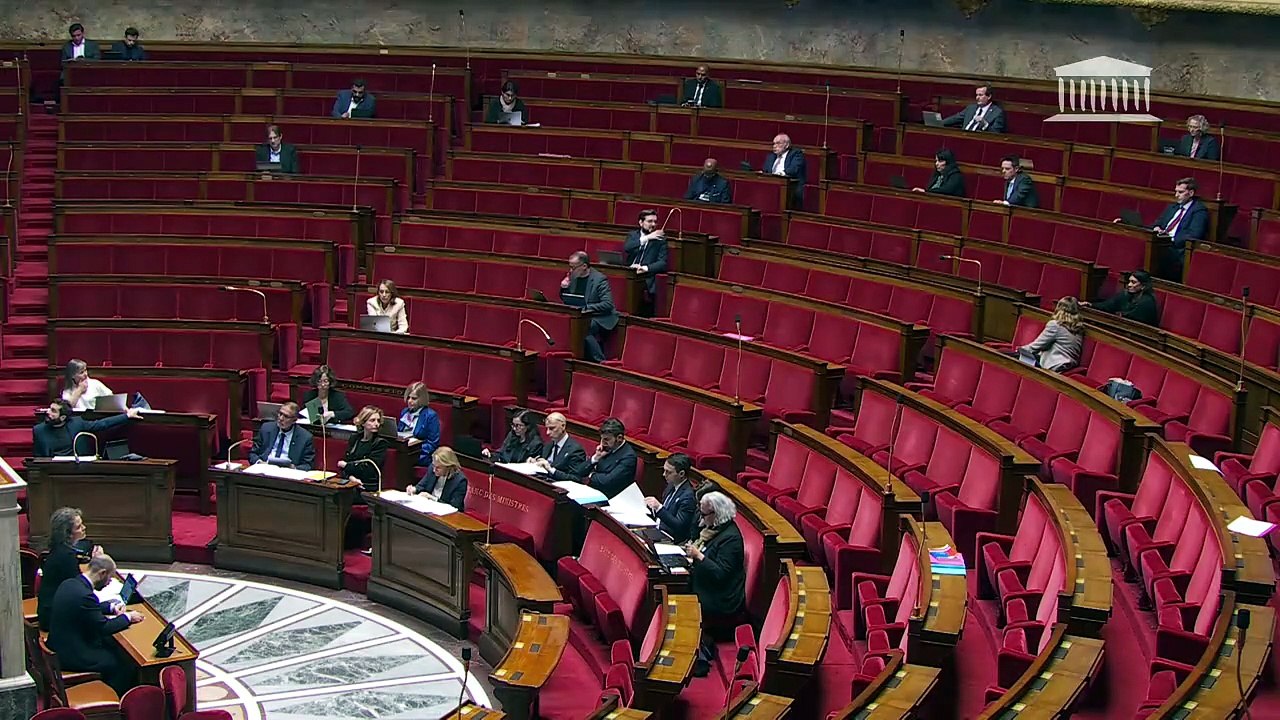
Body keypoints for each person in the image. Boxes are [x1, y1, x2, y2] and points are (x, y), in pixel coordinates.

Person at [47, 553, 144, 695]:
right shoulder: (85, 595)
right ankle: (113, 700)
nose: (108, 582)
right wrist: (128, 617)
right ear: (102, 573)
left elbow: (87, 608)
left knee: (112, 647)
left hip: (59, 645)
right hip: (72, 655)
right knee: (123, 665)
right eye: (109, 578)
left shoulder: (70, 584)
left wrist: (111, 608)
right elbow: (103, 627)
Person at [684, 491, 746, 677]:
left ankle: (698, 654)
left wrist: (699, 556)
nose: (701, 518)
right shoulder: (712, 530)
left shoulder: (731, 538)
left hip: (721, 597)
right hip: (706, 584)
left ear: (717, 514)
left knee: (679, 596)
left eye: (704, 514)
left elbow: (721, 574)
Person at [38, 507, 103, 632]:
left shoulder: (59, 549)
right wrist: (97, 563)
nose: (84, 528)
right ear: (67, 533)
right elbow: (82, 590)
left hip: (51, 610)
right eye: (78, 527)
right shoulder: (66, 557)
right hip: (54, 618)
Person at [560, 251, 618, 363]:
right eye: (570, 267)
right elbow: (567, 299)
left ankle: (600, 362)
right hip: (580, 315)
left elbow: (607, 304)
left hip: (600, 316)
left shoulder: (599, 280)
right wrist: (564, 288)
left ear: (584, 266)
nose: (570, 271)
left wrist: (585, 308)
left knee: (583, 327)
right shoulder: (573, 277)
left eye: (573, 267)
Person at [33, 400, 141, 458]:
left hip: (76, 468)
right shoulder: (39, 430)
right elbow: (38, 456)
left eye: (53, 411)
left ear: (62, 418)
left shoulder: (77, 424)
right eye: (49, 408)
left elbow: (102, 424)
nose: (48, 412)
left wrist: (127, 416)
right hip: (53, 471)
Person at [1151, 177, 1209, 281]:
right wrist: (1157, 228)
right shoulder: (1172, 207)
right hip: (1161, 242)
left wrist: (1170, 238)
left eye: (1180, 192)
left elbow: (1194, 234)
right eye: (1176, 191)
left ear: (1191, 193)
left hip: (1177, 250)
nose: (1176, 195)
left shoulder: (1199, 211)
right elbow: (1158, 222)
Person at [623, 209, 670, 318]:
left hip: (645, 277)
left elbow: (662, 263)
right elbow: (627, 248)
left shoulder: (661, 240)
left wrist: (645, 268)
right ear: (641, 222)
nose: (653, 224)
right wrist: (647, 238)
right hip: (629, 273)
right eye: (650, 221)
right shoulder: (632, 235)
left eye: (655, 222)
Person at [1019, 297, 1084, 372]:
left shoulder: (1055, 325)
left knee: (1016, 358)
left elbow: (1035, 347)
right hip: (1067, 366)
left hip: (1054, 366)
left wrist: (1018, 350)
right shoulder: (1078, 327)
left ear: (1058, 308)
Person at [644, 453, 698, 544]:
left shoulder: (688, 496)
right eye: (664, 470)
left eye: (668, 472)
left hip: (670, 539)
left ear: (681, 474)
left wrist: (659, 508)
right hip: (657, 529)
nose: (664, 474)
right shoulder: (671, 485)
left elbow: (679, 526)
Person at [248, 401, 316, 470]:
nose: (281, 418)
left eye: (286, 416)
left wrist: (294, 468)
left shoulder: (305, 437)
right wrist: (260, 463)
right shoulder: (266, 428)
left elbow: (308, 465)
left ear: (294, 420)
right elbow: (253, 453)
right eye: (280, 414)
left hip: (288, 472)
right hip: (265, 468)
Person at [338, 405, 390, 491]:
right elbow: (345, 463)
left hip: (368, 485)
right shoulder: (355, 439)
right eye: (372, 420)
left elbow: (370, 469)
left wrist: (346, 466)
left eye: (378, 421)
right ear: (363, 422)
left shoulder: (380, 443)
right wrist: (351, 478)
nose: (376, 424)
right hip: (351, 481)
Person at [584, 418, 638, 499]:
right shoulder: (605, 448)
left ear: (619, 438)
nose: (602, 443)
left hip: (611, 498)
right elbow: (582, 470)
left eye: (606, 439)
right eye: (601, 438)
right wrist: (596, 457)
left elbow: (607, 481)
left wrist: (590, 475)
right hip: (594, 491)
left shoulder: (629, 457)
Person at [1082, 271, 1159, 327]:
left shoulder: (1147, 302)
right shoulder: (1126, 294)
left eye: (1133, 282)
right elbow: (1108, 305)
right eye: (1129, 281)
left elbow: (1134, 321)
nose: (1129, 285)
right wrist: (1090, 305)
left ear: (1143, 286)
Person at [533, 412, 590, 481]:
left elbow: (575, 478)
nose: (547, 433)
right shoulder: (548, 445)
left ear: (563, 426)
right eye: (547, 428)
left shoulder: (575, 450)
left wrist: (551, 470)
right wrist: (535, 462)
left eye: (552, 428)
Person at [408, 446, 467, 511]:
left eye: (438, 468)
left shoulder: (460, 481)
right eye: (434, 466)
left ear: (448, 467)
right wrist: (414, 489)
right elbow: (422, 485)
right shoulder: (432, 468)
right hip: (428, 508)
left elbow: (454, 507)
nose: (434, 470)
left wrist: (432, 498)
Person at [399, 382, 441, 467]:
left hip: (420, 454)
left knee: (402, 459)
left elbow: (432, 443)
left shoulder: (431, 416)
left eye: (414, 398)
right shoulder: (405, 412)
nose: (409, 401)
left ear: (422, 399)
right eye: (408, 397)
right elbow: (399, 432)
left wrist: (414, 449)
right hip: (403, 449)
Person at [763, 134, 807, 209]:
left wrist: (780, 175)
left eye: (778, 143)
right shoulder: (771, 156)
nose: (774, 146)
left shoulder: (796, 154)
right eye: (774, 143)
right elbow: (766, 171)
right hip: (772, 187)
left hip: (789, 187)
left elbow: (793, 170)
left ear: (787, 145)